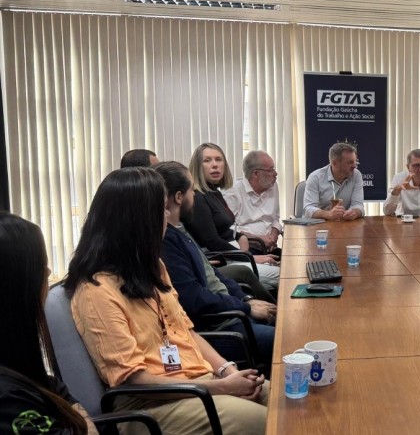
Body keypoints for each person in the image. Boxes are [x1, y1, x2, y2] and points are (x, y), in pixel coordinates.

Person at [65, 167, 268, 435]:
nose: (166, 216)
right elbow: (134, 380)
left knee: (286, 399)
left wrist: (227, 371)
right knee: (268, 421)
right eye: (160, 210)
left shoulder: (152, 268)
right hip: (151, 405)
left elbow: (186, 332)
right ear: (136, 221)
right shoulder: (96, 291)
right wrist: (220, 387)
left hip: (196, 383)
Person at [155, 161, 276, 368]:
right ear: (179, 197)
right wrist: (246, 307)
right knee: (288, 339)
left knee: (287, 324)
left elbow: (214, 275)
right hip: (220, 329)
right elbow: (194, 298)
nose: (195, 195)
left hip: (232, 314)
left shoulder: (180, 229)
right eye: (192, 190)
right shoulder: (167, 241)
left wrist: (245, 299)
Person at [0, 212, 96, 434]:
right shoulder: (8, 400)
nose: (48, 272)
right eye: (40, 266)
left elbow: (59, 393)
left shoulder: (21, 369)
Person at [182, 143, 280, 291]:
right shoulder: (198, 197)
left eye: (218, 159)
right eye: (207, 160)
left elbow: (226, 229)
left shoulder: (214, 192)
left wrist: (241, 237)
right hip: (222, 260)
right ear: (197, 166)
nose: (214, 165)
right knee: (282, 275)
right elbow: (212, 241)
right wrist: (248, 256)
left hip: (236, 254)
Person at [223, 150, 282, 255]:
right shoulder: (233, 192)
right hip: (246, 250)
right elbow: (227, 229)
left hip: (270, 248)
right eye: (271, 170)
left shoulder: (272, 186)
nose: (275, 174)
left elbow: (275, 218)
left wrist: (273, 235)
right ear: (256, 173)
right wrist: (258, 239)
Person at [303, 142, 365, 220]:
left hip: (345, 224)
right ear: (335, 163)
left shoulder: (356, 175)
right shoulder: (315, 177)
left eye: (355, 161)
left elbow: (358, 205)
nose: (354, 166)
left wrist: (354, 212)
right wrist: (328, 214)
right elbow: (308, 208)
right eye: (350, 162)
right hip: (320, 224)